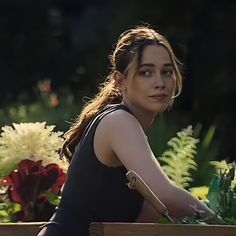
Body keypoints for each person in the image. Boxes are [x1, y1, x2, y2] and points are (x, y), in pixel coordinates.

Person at [37, 24, 214, 236]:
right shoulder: (119, 121)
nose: (160, 82)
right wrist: (220, 221)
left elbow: (154, 211)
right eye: (146, 72)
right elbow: (164, 194)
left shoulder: (126, 129)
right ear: (120, 81)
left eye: (167, 72)